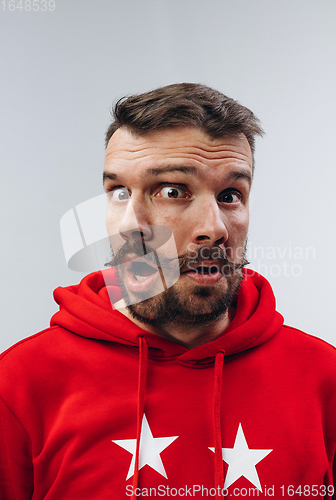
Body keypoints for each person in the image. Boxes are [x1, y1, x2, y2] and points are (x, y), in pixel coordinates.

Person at [0, 83, 335, 500]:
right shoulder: (17, 385)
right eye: (173, 192)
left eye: (231, 195)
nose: (214, 228)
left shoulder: (324, 379)